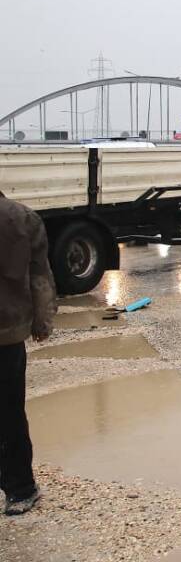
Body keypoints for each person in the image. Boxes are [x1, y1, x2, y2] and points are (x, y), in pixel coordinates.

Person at [0, 189, 56, 516]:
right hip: (8, 333)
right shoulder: (21, 217)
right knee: (9, 411)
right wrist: (41, 323)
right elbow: (39, 276)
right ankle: (20, 490)